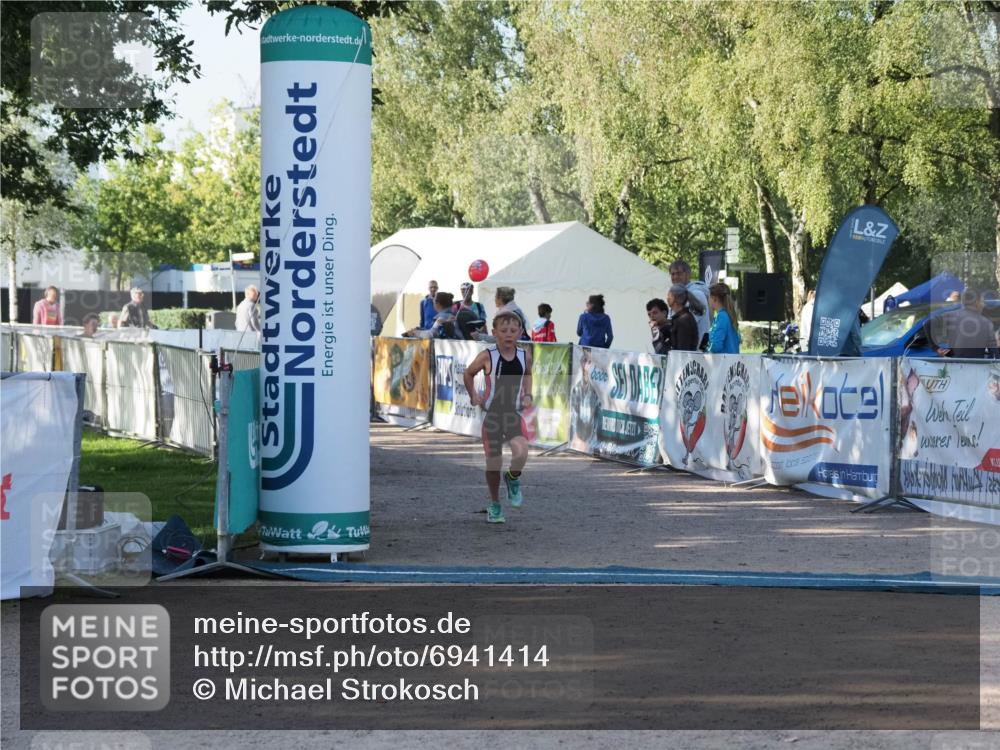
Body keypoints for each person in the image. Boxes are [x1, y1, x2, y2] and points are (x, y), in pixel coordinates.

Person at [464, 311, 533, 524]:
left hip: (513, 414)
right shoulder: (488, 356)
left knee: (521, 452)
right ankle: (494, 504)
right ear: (494, 333)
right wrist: (474, 395)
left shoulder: (524, 355)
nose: (509, 335)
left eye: (513, 331)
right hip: (492, 416)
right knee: (494, 463)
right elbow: (468, 373)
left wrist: (528, 393)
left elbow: (528, 373)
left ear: (520, 332)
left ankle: (512, 478)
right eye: (503, 331)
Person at [669, 260, 710, 349]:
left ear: (688, 274)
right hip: (683, 350)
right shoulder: (676, 294)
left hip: (694, 353)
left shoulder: (696, 294)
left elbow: (685, 326)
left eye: (679, 273)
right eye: (672, 274)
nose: (675, 277)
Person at [948, 289, 997, 359]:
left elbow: (928, 325)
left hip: (954, 365)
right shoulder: (986, 323)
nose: (984, 305)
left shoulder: (951, 316)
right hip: (977, 366)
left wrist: (936, 348)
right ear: (977, 303)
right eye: (982, 302)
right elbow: (994, 353)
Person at [707, 283, 741, 354]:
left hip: (725, 363)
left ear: (714, 299)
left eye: (709, 297)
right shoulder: (727, 314)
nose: (708, 300)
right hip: (731, 362)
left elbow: (716, 346)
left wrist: (705, 347)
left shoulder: (722, 317)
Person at [666, 285, 700, 351]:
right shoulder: (682, 318)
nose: (667, 298)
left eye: (669, 295)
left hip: (683, 360)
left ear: (674, 298)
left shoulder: (683, 320)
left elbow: (683, 349)